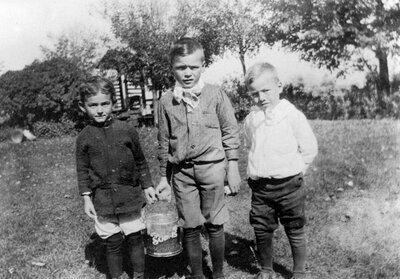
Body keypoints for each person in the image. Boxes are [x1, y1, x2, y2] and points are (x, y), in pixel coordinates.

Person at [156, 37, 241, 279]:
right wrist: (163, 177)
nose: (188, 73)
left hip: (212, 169)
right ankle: (197, 274)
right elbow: (163, 141)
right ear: (172, 68)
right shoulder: (165, 101)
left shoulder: (215, 94)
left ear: (202, 65)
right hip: (182, 174)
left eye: (193, 67)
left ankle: (219, 274)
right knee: (190, 226)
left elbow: (230, 131)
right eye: (181, 67)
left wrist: (232, 167)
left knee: (214, 223)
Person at [75, 76, 157, 279]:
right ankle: (116, 276)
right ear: (83, 107)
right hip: (102, 199)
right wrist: (86, 197)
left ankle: (139, 274)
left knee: (135, 237)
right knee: (112, 242)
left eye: (105, 103)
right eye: (93, 105)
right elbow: (82, 170)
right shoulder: (84, 137)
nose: (100, 110)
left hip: (129, 195)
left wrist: (147, 185)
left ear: (114, 103)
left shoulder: (127, 130)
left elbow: (140, 161)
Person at [244, 62, 318, 279]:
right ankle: (267, 270)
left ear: (279, 86)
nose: (261, 98)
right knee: (261, 228)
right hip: (260, 188)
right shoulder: (252, 119)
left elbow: (309, 148)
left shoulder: (291, 115)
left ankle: (299, 271)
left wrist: (296, 170)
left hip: (289, 185)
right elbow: (250, 146)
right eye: (255, 94)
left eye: (266, 91)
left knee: (294, 226)